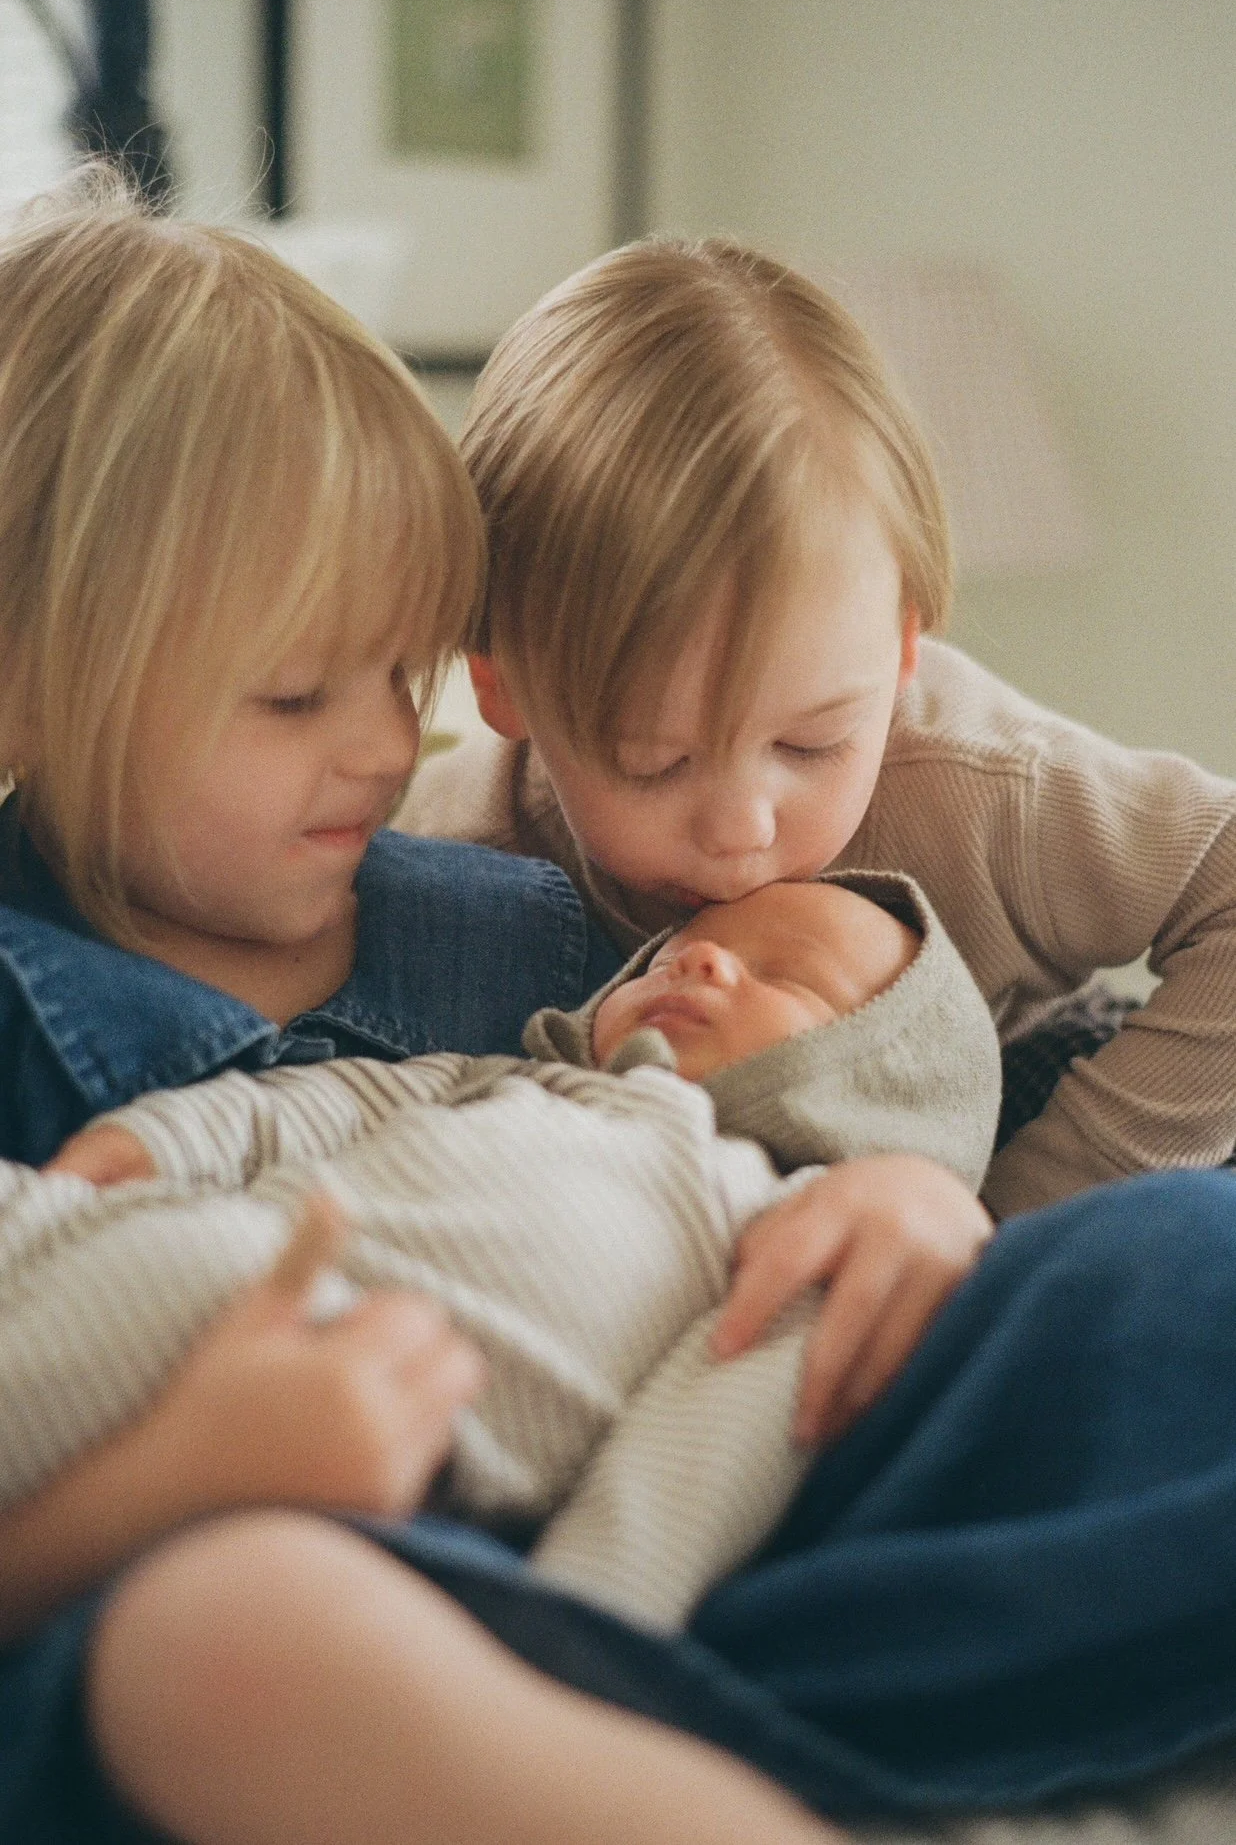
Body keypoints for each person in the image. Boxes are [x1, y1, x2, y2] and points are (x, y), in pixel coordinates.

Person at [0, 169, 851, 1845]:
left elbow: (730, 1157)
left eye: (400, 672)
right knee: (246, 1643)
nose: (388, 747)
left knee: (1165, 1266)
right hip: (238, 1641)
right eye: (291, 694)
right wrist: (183, 1475)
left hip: (658, 1533)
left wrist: (895, 1198)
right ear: (25, 677)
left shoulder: (521, 927)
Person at [398, 233, 1236, 1247]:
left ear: (903, 645)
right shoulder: (457, 851)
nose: (741, 829)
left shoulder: (981, 784)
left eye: (811, 744)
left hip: (1024, 1107)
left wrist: (1019, 1218)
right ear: (501, 686)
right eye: (654, 762)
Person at [31, 873, 999, 1634]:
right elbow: (313, 1104)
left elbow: (693, 1468)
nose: (701, 960)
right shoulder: (504, 1079)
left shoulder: (790, 1223)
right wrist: (163, 1138)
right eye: (675, 954)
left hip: (330, 1365)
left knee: (184, 1273)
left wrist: (576, 1622)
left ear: (886, 1084)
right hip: (156, 1239)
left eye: (787, 975)